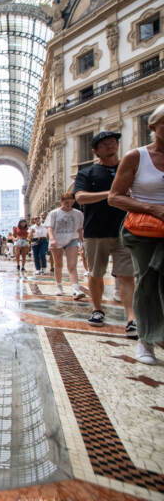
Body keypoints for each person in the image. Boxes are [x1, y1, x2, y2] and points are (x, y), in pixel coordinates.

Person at [108, 105, 164, 364]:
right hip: (144, 230)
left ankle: (157, 331)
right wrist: (152, 208)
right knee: (147, 281)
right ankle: (145, 340)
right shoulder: (136, 157)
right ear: (153, 127)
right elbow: (114, 197)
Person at [74, 130, 136, 335]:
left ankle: (132, 318)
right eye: (104, 144)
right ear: (96, 151)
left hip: (126, 230)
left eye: (113, 142)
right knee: (96, 273)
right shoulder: (87, 173)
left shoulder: (129, 169)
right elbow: (80, 197)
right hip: (96, 231)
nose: (110, 145)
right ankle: (97, 309)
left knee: (127, 275)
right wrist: (111, 194)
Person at [45, 193, 85, 298]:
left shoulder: (78, 213)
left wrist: (82, 242)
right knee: (58, 265)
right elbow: (50, 228)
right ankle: (59, 286)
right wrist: (52, 239)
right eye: (66, 202)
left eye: (71, 202)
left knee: (72, 265)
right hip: (57, 240)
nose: (68, 204)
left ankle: (76, 289)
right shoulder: (54, 213)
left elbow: (80, 229)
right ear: (61, 201)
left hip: (72, 239)